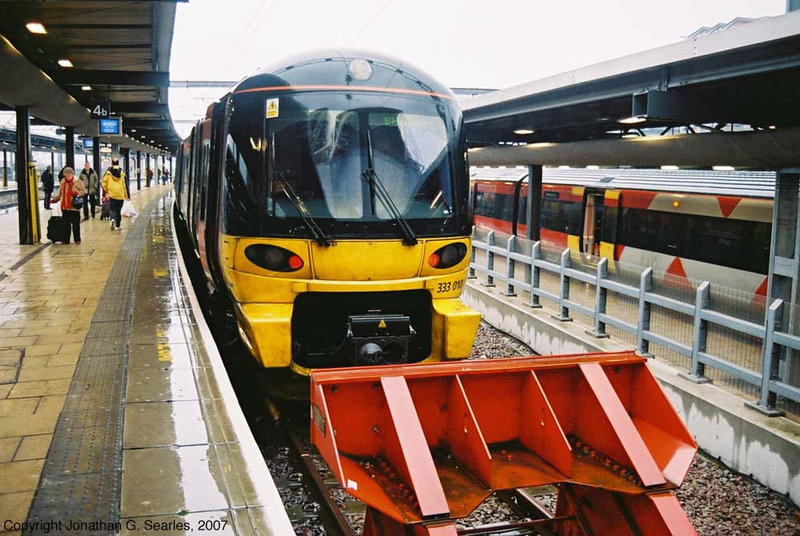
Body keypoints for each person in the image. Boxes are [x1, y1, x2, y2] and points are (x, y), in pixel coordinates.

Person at [51, 167, 86, 244]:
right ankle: (65, 240)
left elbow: (83, 191)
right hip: (65, 207)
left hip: (74, 207)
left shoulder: (77, 181)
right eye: (66, 173)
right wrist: (55, 199)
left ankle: (77, 240)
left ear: (72, 174)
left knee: (76, 225)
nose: (67, 175)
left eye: (69, 173)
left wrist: (76, 193)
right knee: (65, 225)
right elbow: (60, 193)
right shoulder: (63, 182)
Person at [101, 159, 129, 231]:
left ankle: (112, 219)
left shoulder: (108, 173)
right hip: (120, 195)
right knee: (118, 211)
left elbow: (103, 182)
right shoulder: (122, 173)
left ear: (112, 163)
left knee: (112, 209)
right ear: (118, 164)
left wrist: (107, 191)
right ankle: (117, 226)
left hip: (112, 194)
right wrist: (127, 196)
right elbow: (125, 185)